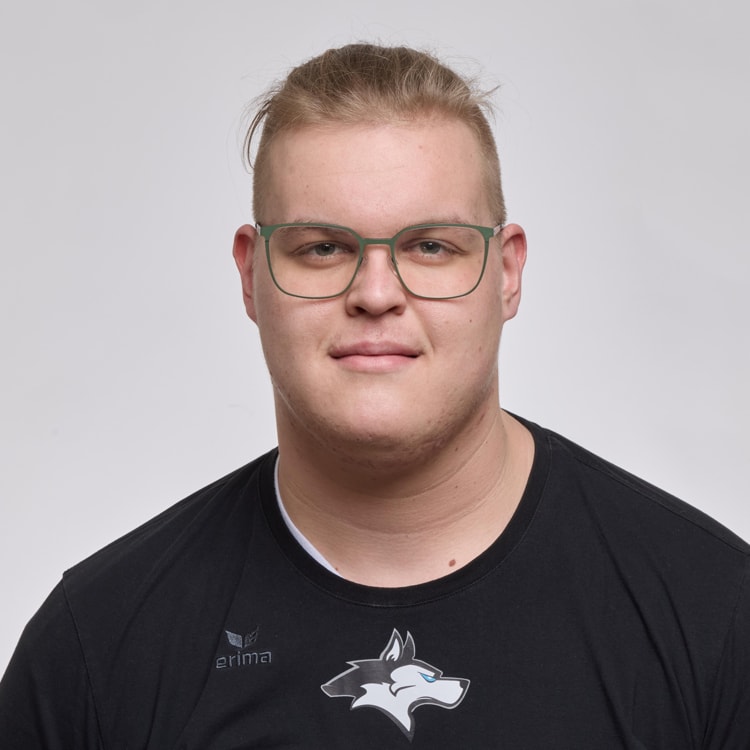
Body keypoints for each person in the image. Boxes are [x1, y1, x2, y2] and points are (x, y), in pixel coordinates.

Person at [0, 43, 748, 749]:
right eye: (323, 248)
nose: (377, 293)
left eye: (432, 246)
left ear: (507, 273)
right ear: (251, 276)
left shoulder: (716, 614)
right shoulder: (96, 647)